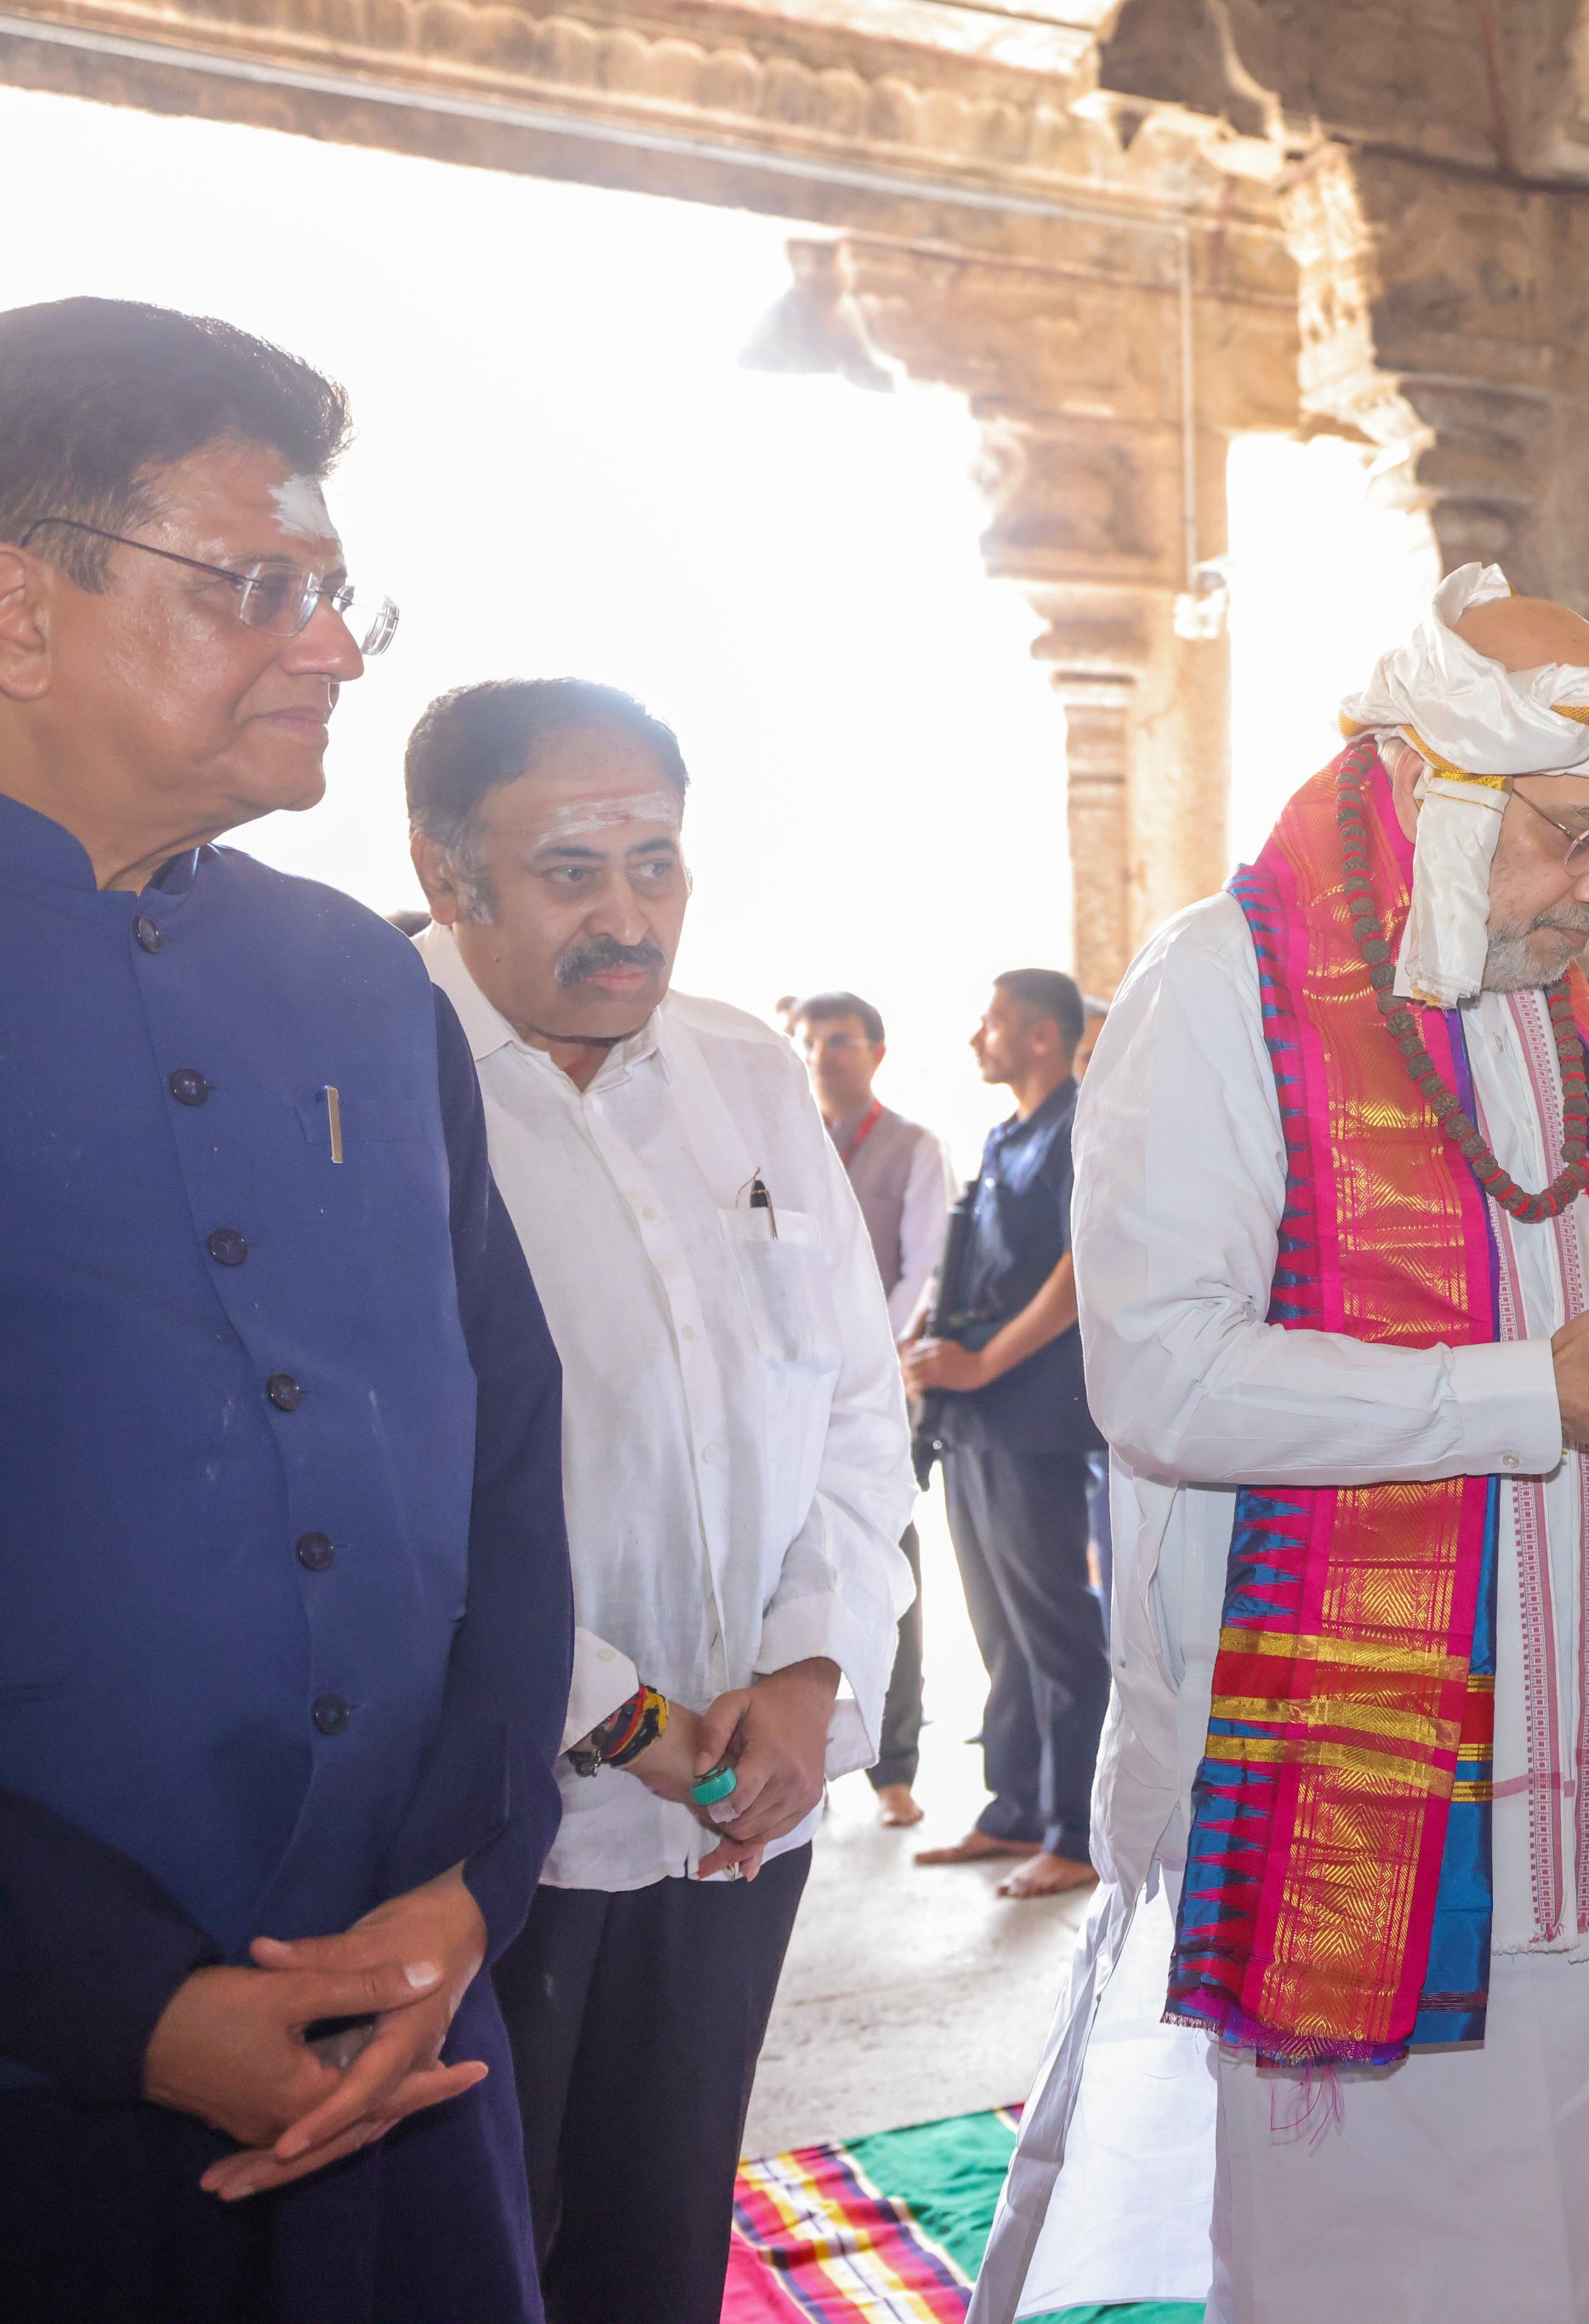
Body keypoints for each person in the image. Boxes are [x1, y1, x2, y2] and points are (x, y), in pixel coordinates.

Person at [970, 565, 1589, 2324]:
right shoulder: (1222, 981)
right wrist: (1532, 1395)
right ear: (1425, 780)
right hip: (1364, 1782)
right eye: (1571, 837)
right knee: (1380, 2269)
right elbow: (1160, 1380)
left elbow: (1549, 1297)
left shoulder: (1537, 996)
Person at [0, 296, 571, 2324]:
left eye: (339, 596)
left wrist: (466, 1884)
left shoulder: (359, 981)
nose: (331, 649)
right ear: (20, 612)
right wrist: (122, 1996)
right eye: (259, 587)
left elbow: (508, 1452)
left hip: (407, 2032)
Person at [405, 678, 913, 2322]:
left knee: (662, 2228)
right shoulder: (377, 1080)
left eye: (658, 863)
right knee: (478, 2251)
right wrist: (629, 1722)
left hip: (745, 1800)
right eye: (571, 871)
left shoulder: (743, 1073)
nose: (628, 918)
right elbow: (387, 1491)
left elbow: (853, 1404)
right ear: (446, 871)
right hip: (502, 1823)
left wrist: (810, 1668)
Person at [903, 971, 1108, 1901]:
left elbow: (1079, 1267)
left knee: (1056, 1629)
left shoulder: (1080, 1127)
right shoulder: (1004, 1135)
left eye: (989, 1023)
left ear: (1038, 1036)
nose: (974, 1038)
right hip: (975, 1416)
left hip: (1033, 1414)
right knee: (1001, 1629)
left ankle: (1078, 1832)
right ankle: (1015, 1808)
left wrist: (984, 1362)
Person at [791, 990, 956, 1828]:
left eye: (842, 1040)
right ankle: (795, 1761)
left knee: (885, 1562)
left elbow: (924, 1266)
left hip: (875, 1389)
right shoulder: (780, 1139)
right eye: (810, 1040)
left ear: (877, 1051)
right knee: (783, 1569)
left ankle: (893, 1766)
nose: (824, 1054)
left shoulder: (912, 1147)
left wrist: (863, 1358)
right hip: (789, 1393)